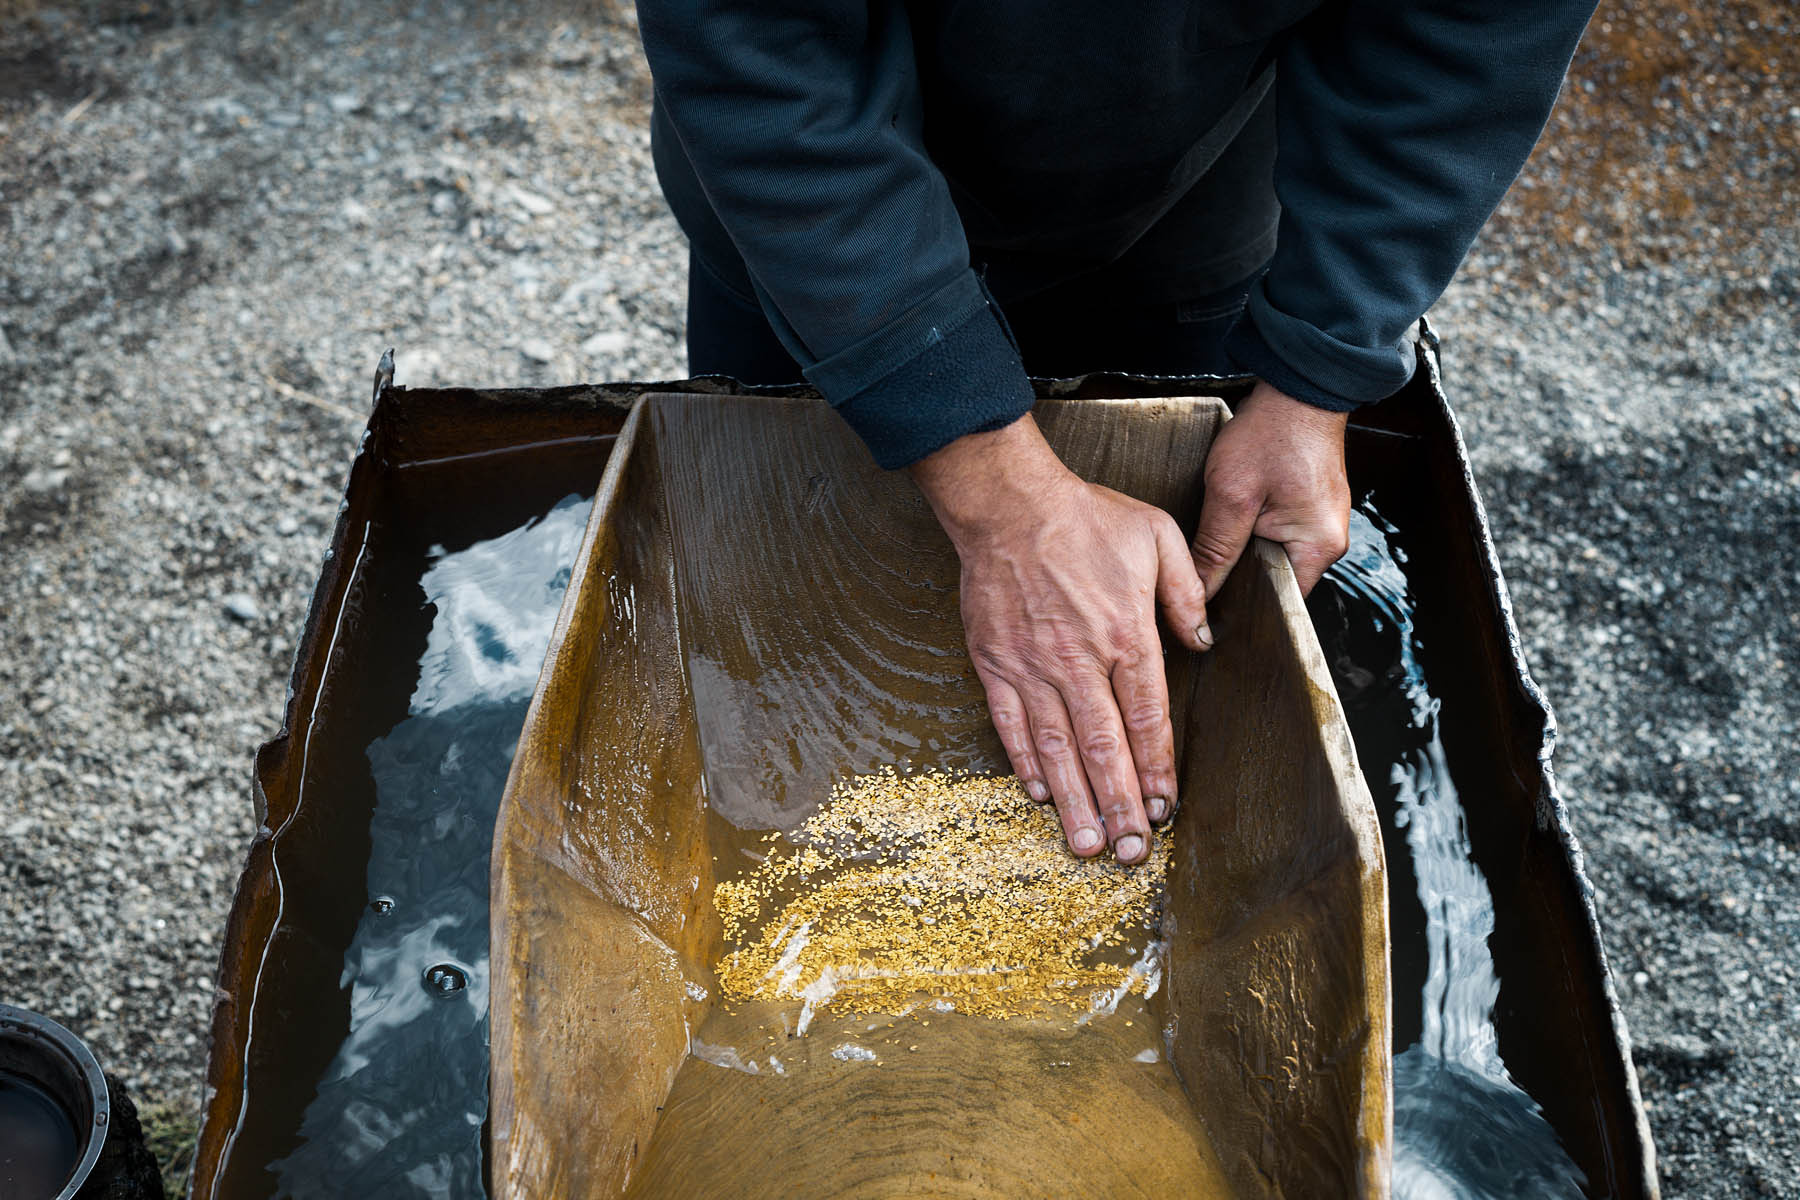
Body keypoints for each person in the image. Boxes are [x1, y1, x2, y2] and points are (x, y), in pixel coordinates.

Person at [635, 0, 1594, 864]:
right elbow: (753, 42)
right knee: (768, 679)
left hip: (1182, 210)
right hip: (818, 221)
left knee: (1143, 668)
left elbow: (1473, 32)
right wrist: (1000, 497)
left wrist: (1319, 369)